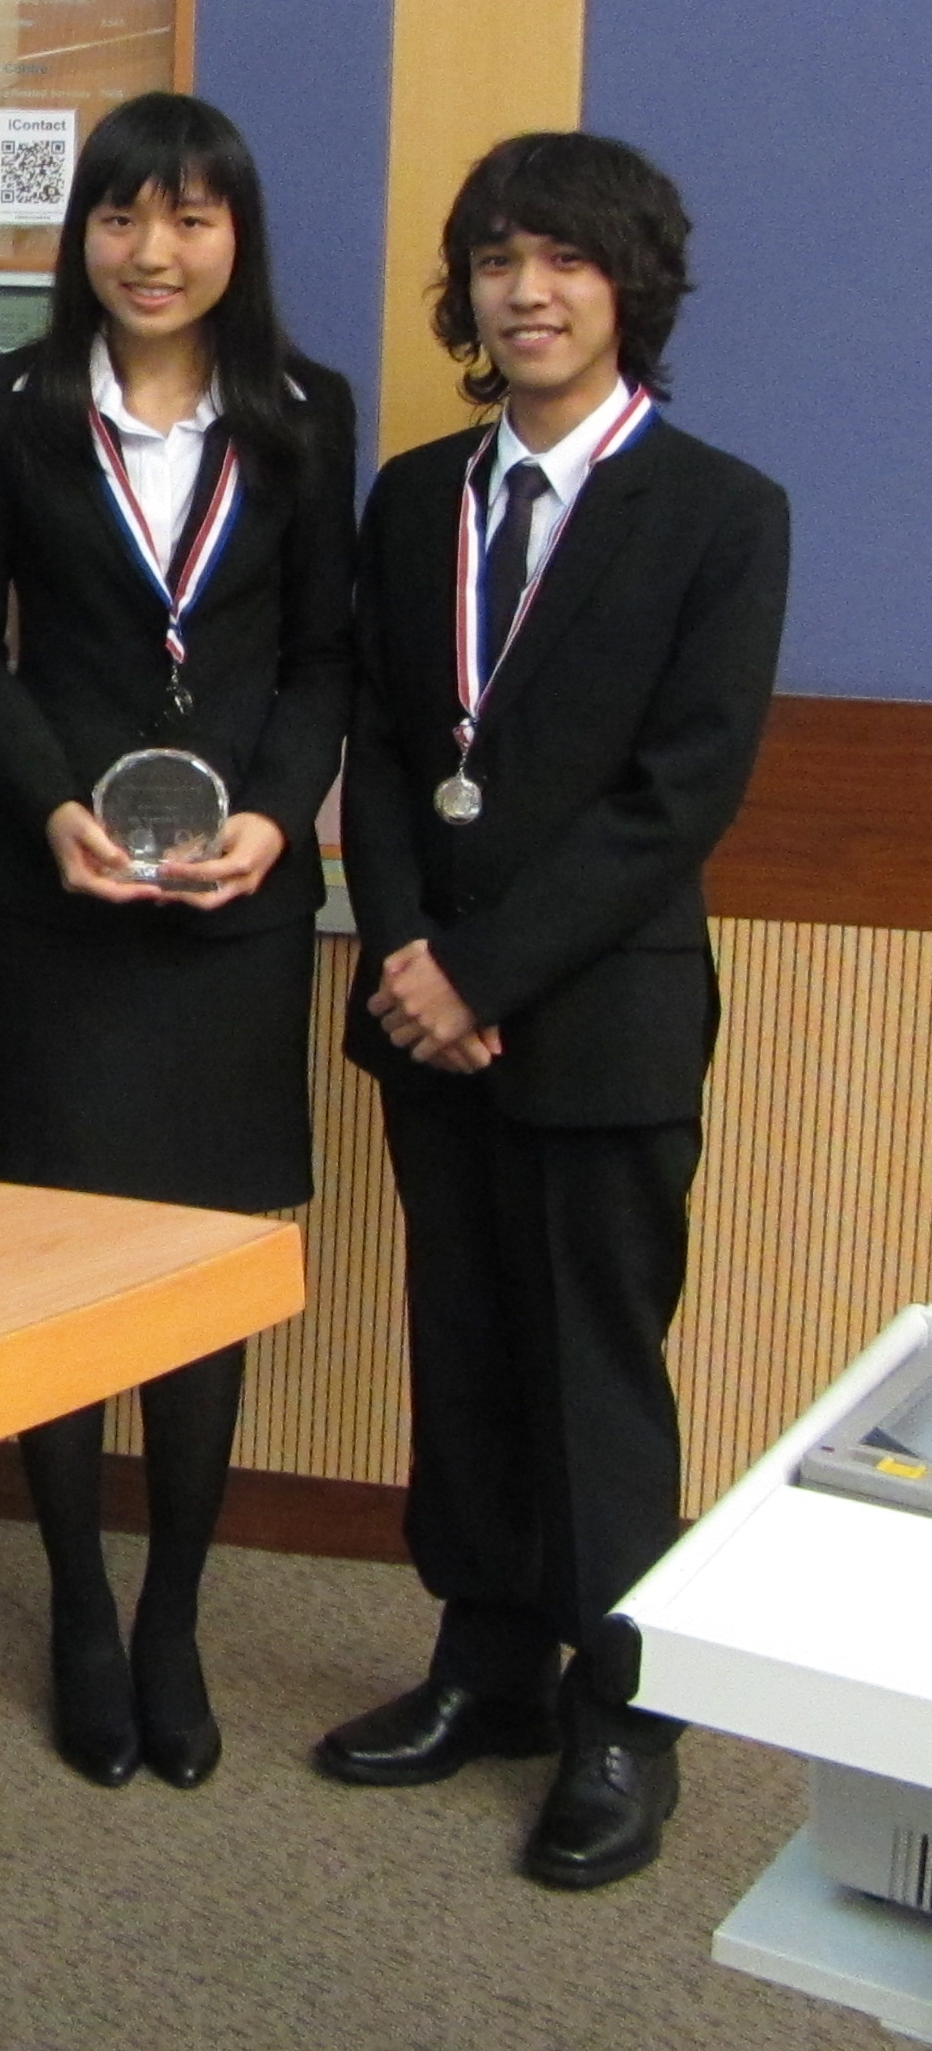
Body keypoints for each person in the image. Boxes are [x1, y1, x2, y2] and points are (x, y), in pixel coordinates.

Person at [315, 132, 789, 1891]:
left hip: (594, 1016)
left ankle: (619, 1711)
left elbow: (677, 792)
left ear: (627, 287)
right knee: (462, 1344)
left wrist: (484, 968)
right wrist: (403, 952)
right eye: (498, 258)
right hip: (422, 1004)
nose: (527, 289)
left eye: (565, 259)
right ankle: (482, 1662)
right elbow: (374, 736)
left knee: (595, 1374)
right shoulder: (410, 494)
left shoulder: (721, 511)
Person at [0, 90, 355, 1790]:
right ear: (78, 234)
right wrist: (49, 806)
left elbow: (324, 659)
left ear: (232, 234)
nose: (151, 251)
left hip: (233, 907)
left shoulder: (304, 414)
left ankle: (171, 1609)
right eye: (120, 217)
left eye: (187, 217)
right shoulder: (6, 408)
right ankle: (74, 1605)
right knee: (54, 1265)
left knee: (197, 1266)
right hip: (59, 895)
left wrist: (273, 812)